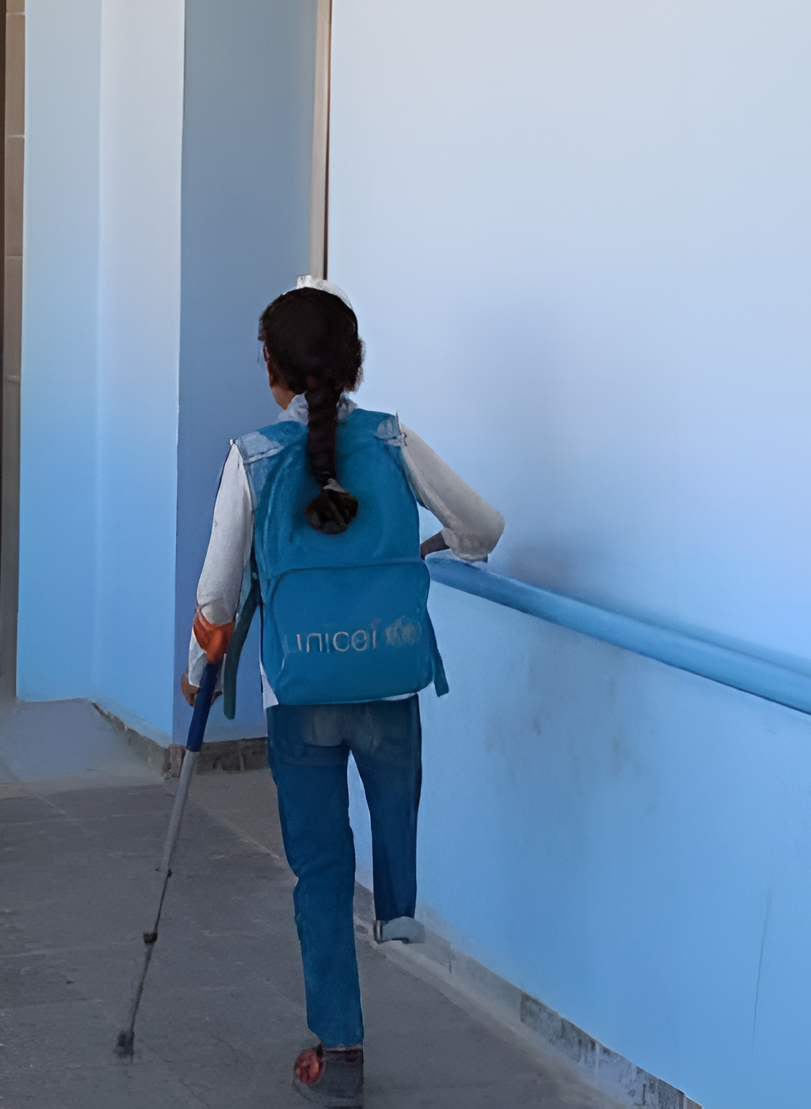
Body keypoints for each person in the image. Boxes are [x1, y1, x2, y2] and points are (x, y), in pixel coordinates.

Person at [179, 280, 502, 1109]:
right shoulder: (393, 441)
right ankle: (397, 908)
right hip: (390, 677)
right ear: (354, 364)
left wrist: (197, 675)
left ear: (272, 370)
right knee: (392, 808)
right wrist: (428, 548)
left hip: (300, 692)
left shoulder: (253, 457)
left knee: (320, 869)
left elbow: (218, 598)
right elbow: (484, 528)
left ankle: (342, 1051)